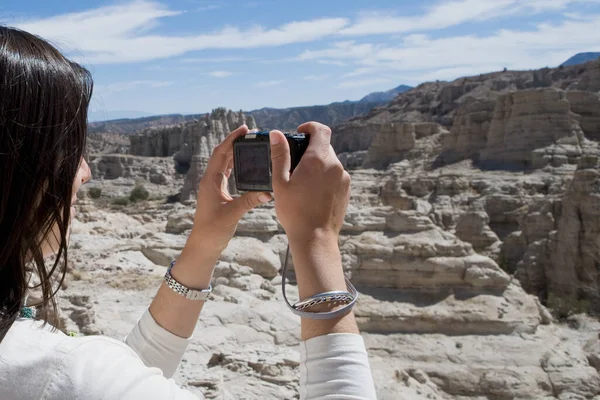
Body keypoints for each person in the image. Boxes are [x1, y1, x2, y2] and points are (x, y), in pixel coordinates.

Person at [0, 26, 377, 399]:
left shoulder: (45, 365)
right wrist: (318, 239)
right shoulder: (63, 373)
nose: (85, 172)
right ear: (14, 172)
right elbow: (90, 382)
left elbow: (125, 377)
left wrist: (204, 241)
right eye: (69, 151)